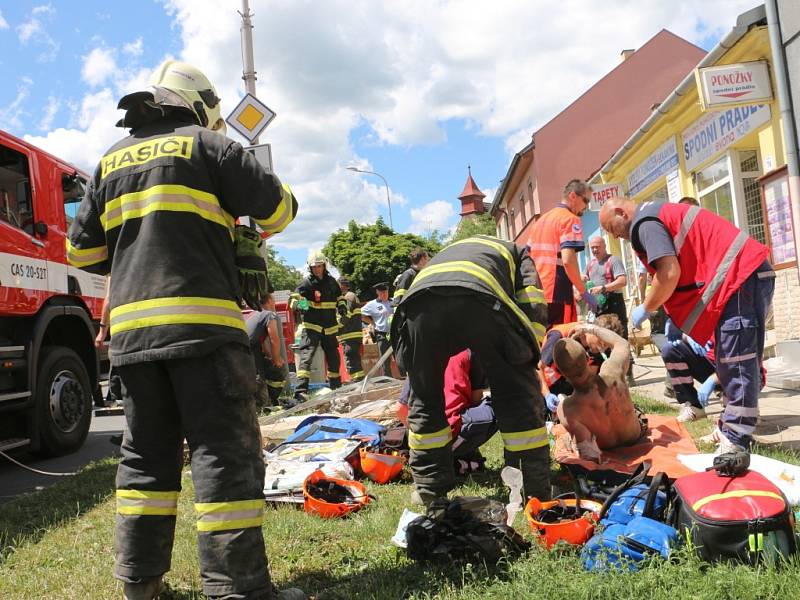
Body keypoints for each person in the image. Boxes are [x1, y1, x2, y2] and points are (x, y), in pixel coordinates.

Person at [65, 60, 303, 600]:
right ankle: (235, 588)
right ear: (200, 107)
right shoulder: (209, 146)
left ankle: (140, 587)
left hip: (132, 342)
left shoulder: (108, 161)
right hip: (203, 332)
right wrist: (234, 226)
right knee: (223, 454)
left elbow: (81, 252)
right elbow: (281, 211)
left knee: (146, 459)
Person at [600, 197, 775, 454]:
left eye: (612, 228)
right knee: (729, 361)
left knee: (736, 361)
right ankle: (731, 430)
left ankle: (735, 442)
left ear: (620, 212)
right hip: (741, 278)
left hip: (740, 278)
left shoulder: (644, 223)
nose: (617, 236)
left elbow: (669, 273)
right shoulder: (654, 215)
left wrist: (647, 307)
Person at [391, 234, 549, 504]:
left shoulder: (447, 254)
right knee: (515, 395)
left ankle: (429, 487)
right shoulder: (517, 251)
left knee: (425, 398)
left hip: (420, 305)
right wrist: (525, 356)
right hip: (480, 298)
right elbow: (532, 302)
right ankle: (530, 488)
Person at [553, 323, 647, 461]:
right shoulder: (612, 370)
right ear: (587, 357)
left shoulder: (567, 409)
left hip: (606, 448)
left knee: (568, 438)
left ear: (562, 373)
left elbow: (589, 455)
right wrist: (589, 328)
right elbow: (621, 343)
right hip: (636, 436)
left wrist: (573, 442)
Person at [396, 349, 497, 478]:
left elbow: (399, 409)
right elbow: (475, 399)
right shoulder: (468, 353)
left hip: (423, 442)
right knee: (497, 405)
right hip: (453, 432)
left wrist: (417, 432)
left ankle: (447, 457)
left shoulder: (421, 355)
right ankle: (454, 455)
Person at [527, 179, 598, 326]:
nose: (586, 208)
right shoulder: (570, 219)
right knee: (560, 340)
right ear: (573, 196)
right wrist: (583, 291)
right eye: (586, 201)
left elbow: (527, 257)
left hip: (536, 291)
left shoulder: (540, 222)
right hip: (557, 290)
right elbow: (568, 260)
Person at [291, 251, 347, 401]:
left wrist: (342, 306)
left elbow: (339, 297)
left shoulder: (331, 282)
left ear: (324, 266)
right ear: (310, 268)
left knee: (334, 358)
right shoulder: (306, 283)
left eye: (319, 266)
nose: (317, 269)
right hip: (312, 326)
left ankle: (336, 387)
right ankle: (300, 391)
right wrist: (302, 305)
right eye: (314, 267)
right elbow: (295, 298)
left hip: (329, 326)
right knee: (306, 357)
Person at [540, 314, 624, 402]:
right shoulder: (558, 337)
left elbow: (590, 380)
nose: (603, 348)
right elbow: (538, 368)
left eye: (607, 346)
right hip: (544, 385)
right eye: (602, 343)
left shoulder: (598, 350)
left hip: (566, 383)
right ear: (594, 331)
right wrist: (547, 395)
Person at [661, 323, 717, 423]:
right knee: (670, 350)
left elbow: (738, 363)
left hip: (731, 371)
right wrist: (686, 336)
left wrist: (714, 379)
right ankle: (694, 406)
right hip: (707, 360)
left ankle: (732, 406)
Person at [246, 293, 288, 409]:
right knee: (275, 372)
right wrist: (276, 359)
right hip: (249, 350)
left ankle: (266, 402)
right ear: (269, 300)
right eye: (273, 300)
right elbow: (274, 338)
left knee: (261, 375)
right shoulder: (270, 315)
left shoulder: (255, 314)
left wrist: (270, 356)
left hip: (249, 349)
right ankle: (262, 405)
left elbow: (261, 340)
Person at [584, 236, 628, 336]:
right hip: (597, 305)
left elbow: (623, 281)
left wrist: (603, 288)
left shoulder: (613, 260)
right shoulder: (590, 264)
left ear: (605, 246)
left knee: (619, 334)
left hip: (614, 302)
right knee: (600, 336)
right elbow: (584, 277)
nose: (595, 250)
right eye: (592, 248)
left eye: (597, 247)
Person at [361, 282, 394, 377]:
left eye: (386, 292)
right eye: (382, 293)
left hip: (394, 333)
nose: (384, 294)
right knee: (384, 359)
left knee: (399, 357)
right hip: (382, 334)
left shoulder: (393, 301)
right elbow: (361, 315)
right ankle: (388, 380)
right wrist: (372, 323)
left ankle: (404, 379)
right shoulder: (372, 304)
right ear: (377, 293)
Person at [336, 276, 364, 381]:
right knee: (354, 359)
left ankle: (356, 381)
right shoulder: (348, 296)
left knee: (351, 359)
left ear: (343, 285)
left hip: (350, 335)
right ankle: (359, 381)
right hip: (351, 335)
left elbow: (345, 316)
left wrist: (335, 328)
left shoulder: (348, 296)